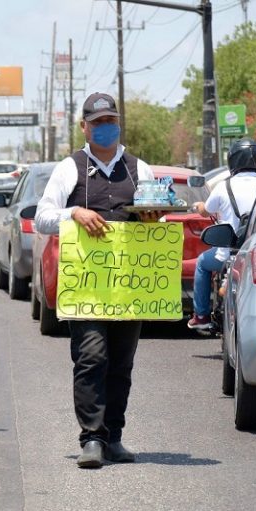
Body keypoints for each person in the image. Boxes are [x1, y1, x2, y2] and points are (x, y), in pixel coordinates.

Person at [35, 92, 161, 469]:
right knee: (91, 357)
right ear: (84, 127)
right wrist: (74, 213)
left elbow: (158, 218)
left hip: (129, 286)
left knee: (121, 363)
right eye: (98, 122)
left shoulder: (140, 169)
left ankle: (114, 438)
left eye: (111, 121)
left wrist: (153, 218)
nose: (106, 127)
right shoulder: (69, 168)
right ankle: (91, 438)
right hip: (86, 286)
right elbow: (42, 218)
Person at [187, 138, 256, 330]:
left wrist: (198, 206)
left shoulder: (224, 186)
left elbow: (206, 211)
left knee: (202, 263)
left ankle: (201, 316)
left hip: (228, 254)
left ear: (233, 160)